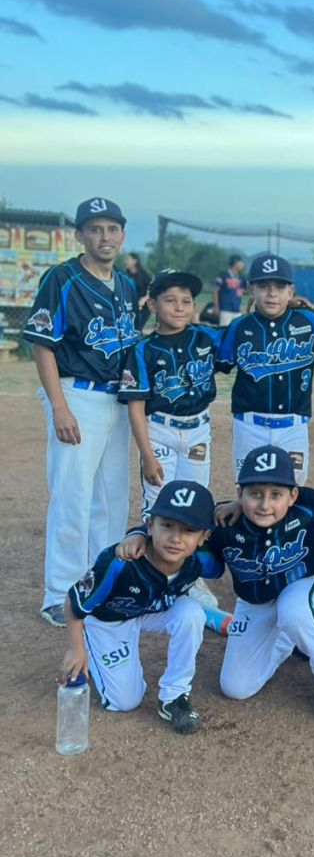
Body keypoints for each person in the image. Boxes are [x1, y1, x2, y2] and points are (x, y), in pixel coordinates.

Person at [120, 446, 314, 721]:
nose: (265, 504)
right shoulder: (222, 521)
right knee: (236, 687)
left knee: (294, 610)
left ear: (292, 495)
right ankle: (289, 638)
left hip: (305, 582)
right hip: (255, 601)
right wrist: (137, 534)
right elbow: (174, 522)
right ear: (239, 493)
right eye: (255, 494)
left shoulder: (306, 505)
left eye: (276, 495)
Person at [22, 197, 141, 628]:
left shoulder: (126, 286)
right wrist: (59, 407)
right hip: (78, 397)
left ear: (123, 235)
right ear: (80, 236)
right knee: (73, 499)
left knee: (111, 501)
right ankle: (59, 594)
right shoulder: (63, 278)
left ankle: (102, 585)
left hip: (116, 401)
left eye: (112, 229)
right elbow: (42, 344)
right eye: (95, 229)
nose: (104, 237)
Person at [58, 481, 217, 734]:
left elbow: (235, 533)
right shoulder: (120, 562)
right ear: (150, 524)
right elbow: (74, 602)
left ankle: (174, 696)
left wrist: (236, 505)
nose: (176, 538)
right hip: (108, 621)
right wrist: (76, 649)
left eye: (189, 530)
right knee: (125, 702)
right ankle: (92, 644)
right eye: (167, 525)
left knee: (191, 614)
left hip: (151, 611)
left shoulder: (204, 559)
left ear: (203, 537)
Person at [218, 253, 314, 485]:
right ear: (250, 289)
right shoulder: (239, 327)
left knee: (294, 491)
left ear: (290, 292)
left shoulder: (309, 321)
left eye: (280, 287)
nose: (272, 293)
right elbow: (217, 360)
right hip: (249, 425)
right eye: (264, 286)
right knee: (247, 489)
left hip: (294, 426)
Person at [118, 269, 221, 512]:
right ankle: (153, 549)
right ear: (153, 304)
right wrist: (147, 456)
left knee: (195, 500)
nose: (179, 308)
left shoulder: (207, 337)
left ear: (194, 305)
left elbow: (244, 331)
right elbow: (136, 408)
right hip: (159, 432)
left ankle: (192, 551)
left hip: (198, 430)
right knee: (158, 502)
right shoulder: (143, 350)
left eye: (186, 301)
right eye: (170, 300)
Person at [212, 254, 246, 327]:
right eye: (241, 263)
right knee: (224, 331)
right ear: (236, 263)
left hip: (237, 310)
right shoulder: (223, 276)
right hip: (225, 310)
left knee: (236, 331)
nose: (242, 265)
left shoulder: (241, 278)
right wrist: (216, 306)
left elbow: (244, 291)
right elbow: (215, 290)